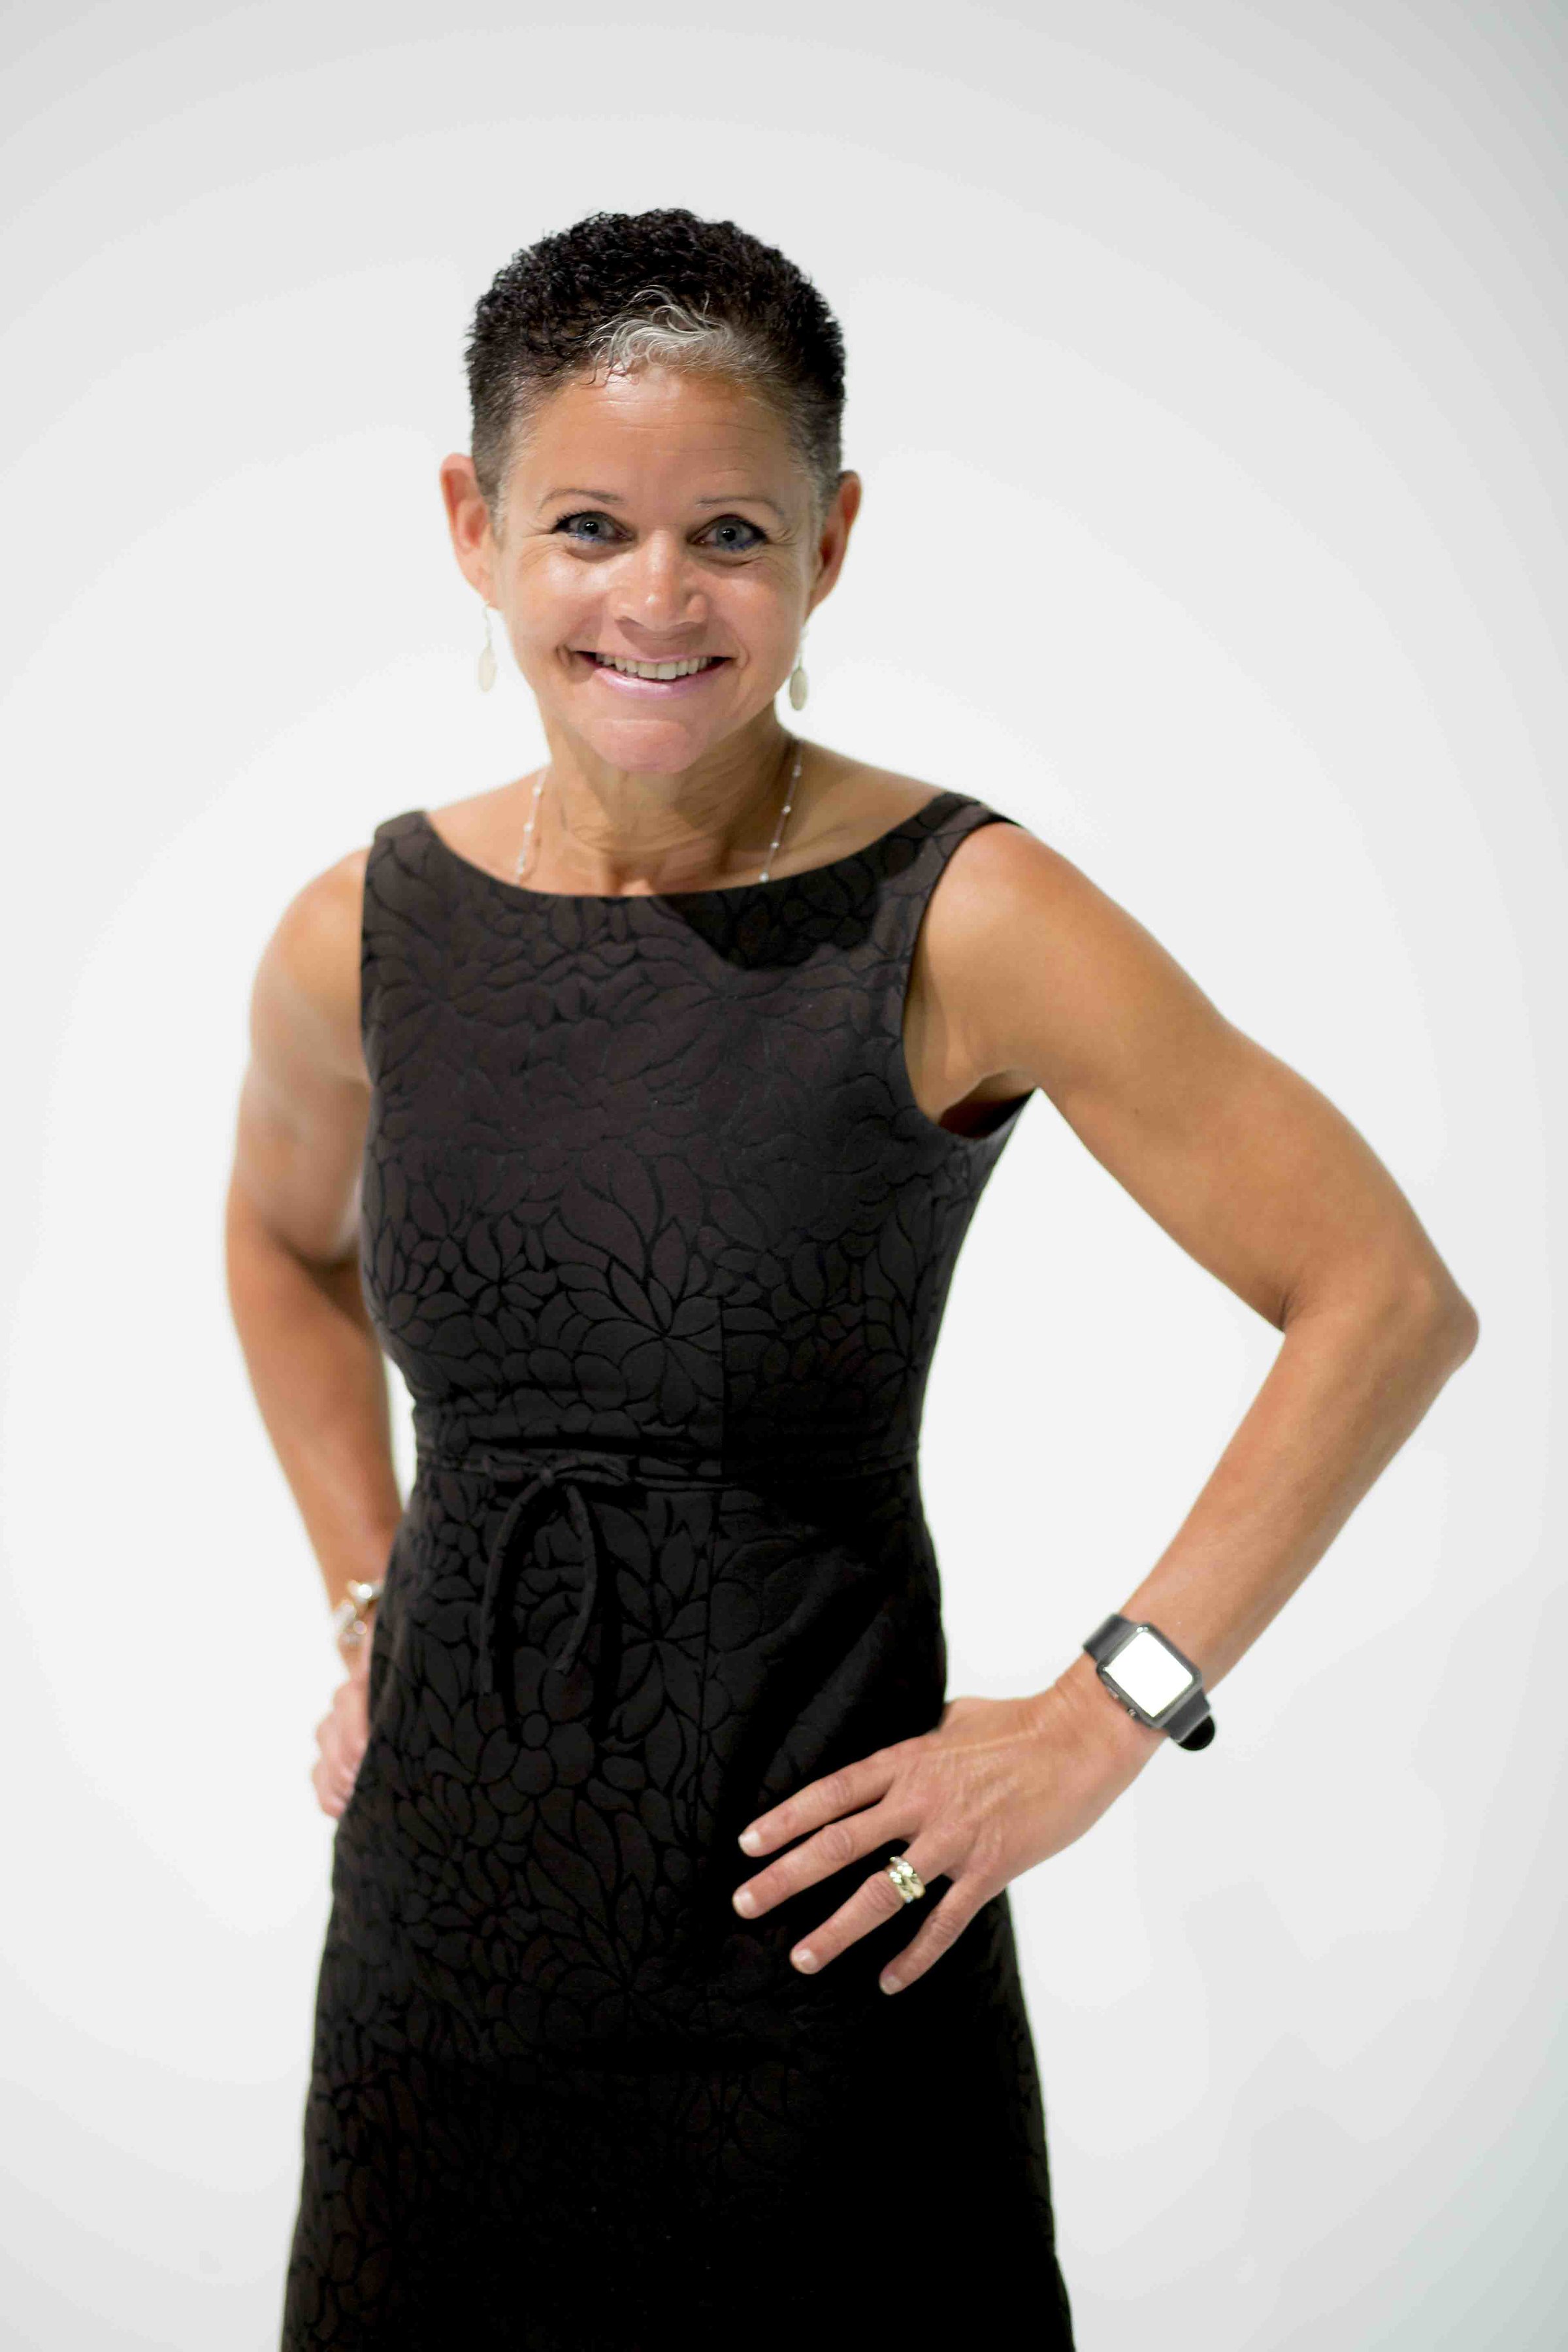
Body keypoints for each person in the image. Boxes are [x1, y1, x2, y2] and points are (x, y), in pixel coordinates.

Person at [226, 208, 1478, 2350]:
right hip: (440, 1978)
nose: (655, 597)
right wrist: (370, 1594)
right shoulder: (364, 928)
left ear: (832, 539)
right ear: (474, 524)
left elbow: (1381, 1292)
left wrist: (1103, 1723)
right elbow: (277, 1244)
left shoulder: (962, 913)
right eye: (589, 525)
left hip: (822, 1971)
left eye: (729, 529)